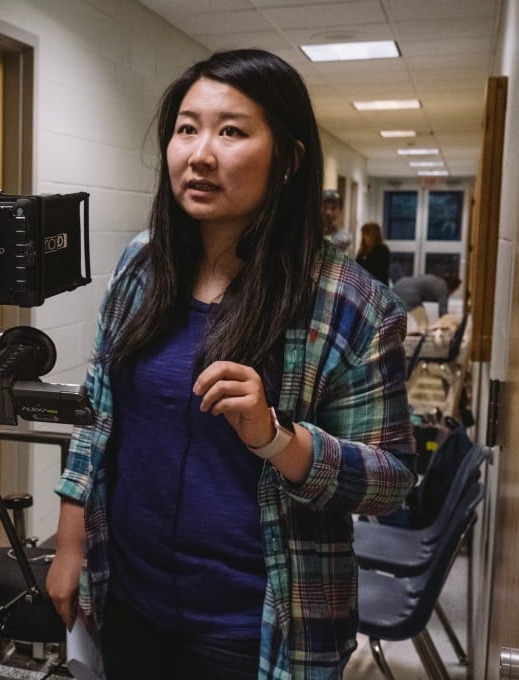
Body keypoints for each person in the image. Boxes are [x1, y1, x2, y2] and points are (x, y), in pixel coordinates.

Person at [46, 49, 416, 679]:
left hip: (258, 624)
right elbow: (97, 413)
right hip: (129, 599)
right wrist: (70, 543)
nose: (200, 153)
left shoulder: (350, 301)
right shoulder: (142, 265)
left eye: (232, 131)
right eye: (187, 129)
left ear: (289, 159)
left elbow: (391, 480)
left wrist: (279, 439)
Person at [392, 272, 462, 333]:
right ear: (453, 287)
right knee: (423, 325)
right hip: (409, 294)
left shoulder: (437, 281)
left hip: (397, 286)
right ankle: (420, 345)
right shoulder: (443, 288)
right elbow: (443, 313)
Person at [321, 188, 352, 253]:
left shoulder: (345, 237)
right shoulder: (310, 233)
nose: (328, 212)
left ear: (340, 211)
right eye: (325, 208)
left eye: (333, 208)